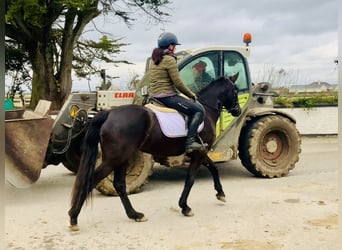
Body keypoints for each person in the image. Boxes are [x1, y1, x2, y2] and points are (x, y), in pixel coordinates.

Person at [149, 32, 205, 153]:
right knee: (198, 110)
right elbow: (178, 82)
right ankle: (190, 142)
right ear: (170, 46)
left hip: (155, 96)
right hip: (167, 96)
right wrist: (191, 94)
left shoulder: (154, 59)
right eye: (174, 45)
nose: (175, 48)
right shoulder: (169, 59)